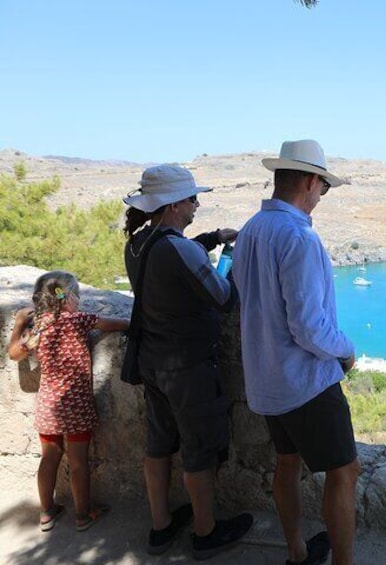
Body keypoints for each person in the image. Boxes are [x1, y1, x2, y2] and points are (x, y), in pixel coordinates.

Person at [232, 140, 360, 565]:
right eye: (323, 187)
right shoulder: (299, 238)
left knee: (287, 463)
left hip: (267, 380)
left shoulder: (251, 229)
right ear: (310, 181)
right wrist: (345, 350)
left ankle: (296, 551)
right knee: (344, 472)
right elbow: (308, 326)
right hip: (306, 382)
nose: (321, 196)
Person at [123, 164, 253, 559]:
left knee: (159, 444)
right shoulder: (177, 249)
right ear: (175, 204)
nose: (197, 204)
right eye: (193, 199)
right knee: (198, 449)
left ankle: (161, 527)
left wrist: (212, 238)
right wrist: (232, 259)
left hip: (152, 362)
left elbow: (175, 252)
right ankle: (205, 531)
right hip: (188, 368)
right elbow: (224, 298)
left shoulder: (137, 243)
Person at [8, 271, 129, 532]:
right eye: (78, 295)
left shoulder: (37, 327)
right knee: (78, 462)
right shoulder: (79, 319)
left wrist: (19, 324)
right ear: (68, 297)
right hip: (76, 406)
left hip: (49, 405)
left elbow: (14, 354)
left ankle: (46, 512)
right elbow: (114, 324)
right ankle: (83, 515)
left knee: (49, 458)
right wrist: (133, 322)